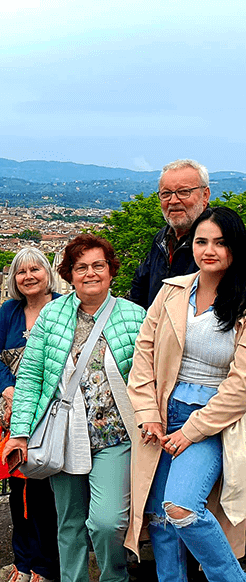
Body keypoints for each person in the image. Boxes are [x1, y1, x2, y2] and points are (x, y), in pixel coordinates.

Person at [3, 234, 146, 582]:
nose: (90, 273)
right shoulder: (52, 315)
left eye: (98, 266)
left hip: (115, 436)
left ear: (111, 271)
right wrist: (20, 432)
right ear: (69, 274)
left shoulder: (134, 316)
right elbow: (32, 378)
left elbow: (149, 378)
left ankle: (114, 576)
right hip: (65, 435)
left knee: (107, 521)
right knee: (68, 522)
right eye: (81, 267)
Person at [126, 207, 246, 582]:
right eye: (201, 241)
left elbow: (241, 384)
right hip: (163, 414)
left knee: (181, 507)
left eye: (220, 242)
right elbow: (143, 355)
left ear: (236, 248)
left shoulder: (243, 301)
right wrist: (148, 413)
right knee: (160, 521)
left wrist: (192, 430)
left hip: (211, 421)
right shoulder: (173, 291)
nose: (209, 250)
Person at [0, 247, 61, 582]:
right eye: (21, 272)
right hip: (16, 412)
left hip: (53, 413)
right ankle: (24, 560)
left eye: (35, 269)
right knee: (19, 495)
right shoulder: (9, 311)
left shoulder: (64, 307)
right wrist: (8, 390)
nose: (29, 276)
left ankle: (45, 565)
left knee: (48, 495)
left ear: (48, 273)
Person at [130, 159, 211, 309]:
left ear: (205, 195)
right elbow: (140, 284)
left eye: (183, 192)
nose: (173, 201)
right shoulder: (162, 239)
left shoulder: (220, 239)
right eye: (166, 194)